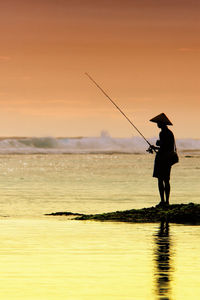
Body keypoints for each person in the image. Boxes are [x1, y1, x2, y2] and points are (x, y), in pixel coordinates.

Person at [148, 113, 177, 206]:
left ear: (162, 123)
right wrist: (156, 147)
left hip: (162, 159)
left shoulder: (163, 133)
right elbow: (167, 147)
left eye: (158, 122)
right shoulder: (169, 133)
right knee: (166, 180)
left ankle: (162, 201)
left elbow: (164, 147)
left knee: (161, 180)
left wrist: (156, 146)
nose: (157, 124)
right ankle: (167, 201)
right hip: (167, 159)